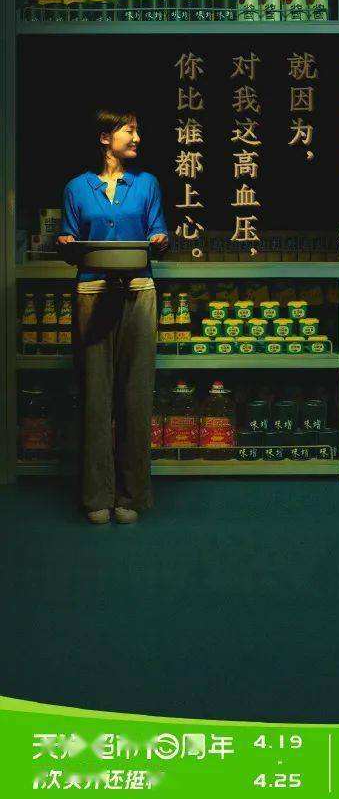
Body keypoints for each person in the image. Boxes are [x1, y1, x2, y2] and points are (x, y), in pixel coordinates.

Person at [56, 109, 168, 525]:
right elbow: (69, 238)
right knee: (95, 392)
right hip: (92, 291)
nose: (137, 138)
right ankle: (97, 496)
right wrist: (66, 241)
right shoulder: (77, 188)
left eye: (137, 131)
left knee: (136, 392)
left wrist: (160, 239)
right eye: (129, 131)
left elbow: (158, 231)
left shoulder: (147, 184)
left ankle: (132, 494)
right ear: (105, 137)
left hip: (139, 290)